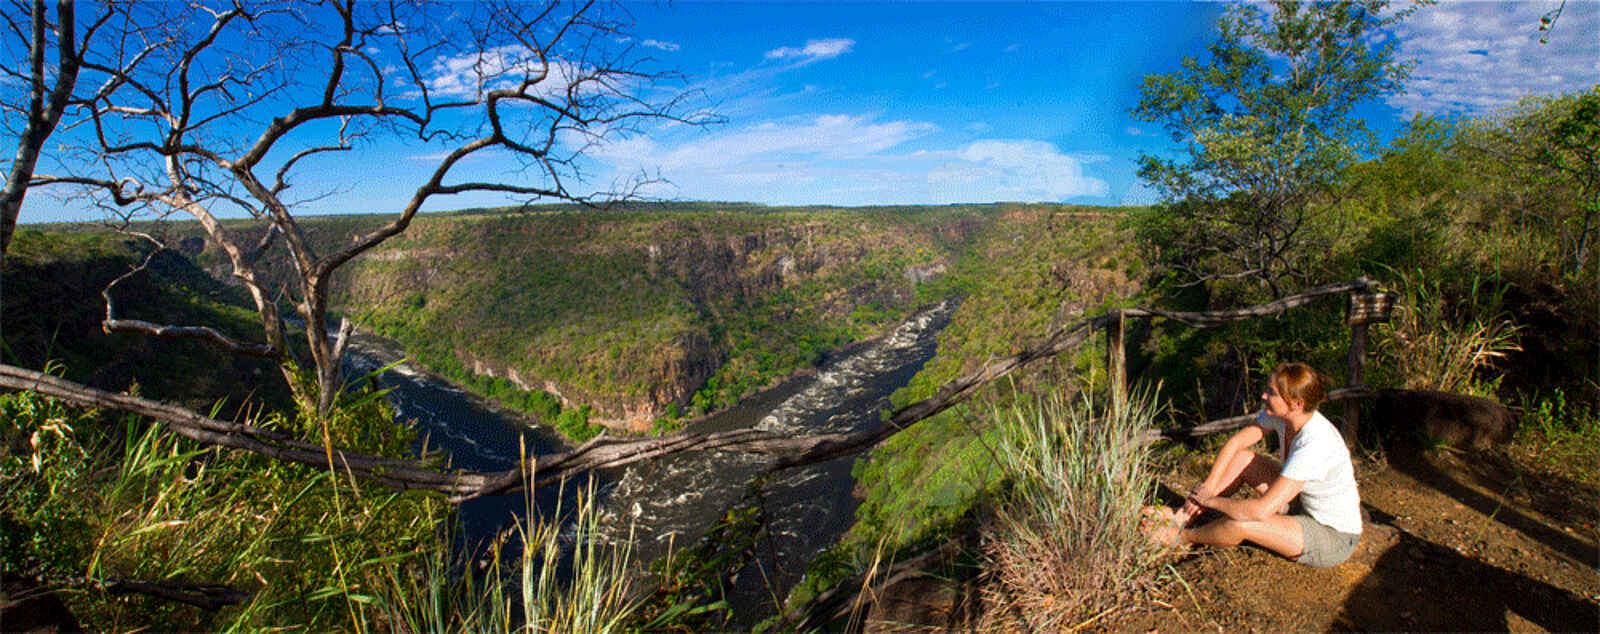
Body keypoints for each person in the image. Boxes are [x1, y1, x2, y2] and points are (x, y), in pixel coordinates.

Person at [1145, 362, 1363, 568]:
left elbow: (1258, 511)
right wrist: (1208, 488)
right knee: (1243, 459)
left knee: (1242, 523)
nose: (1264, 395)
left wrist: (1211, 500)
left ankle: (1181, 537)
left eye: (1272, 393)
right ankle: (1182, 517)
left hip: (1332, 536)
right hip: (1304, 503)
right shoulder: (1283, 416)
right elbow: (1236, 443)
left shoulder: (1314, 444)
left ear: (1296, 403)